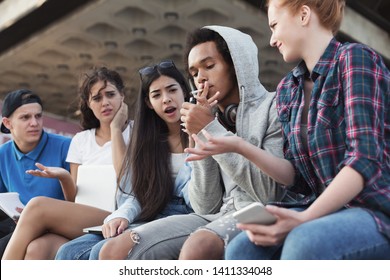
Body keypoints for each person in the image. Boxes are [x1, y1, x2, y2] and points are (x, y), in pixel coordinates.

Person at [188, 0, 390, 260]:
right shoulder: (288, 89)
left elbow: (364, 159)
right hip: (316, 208)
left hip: (370, 208)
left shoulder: (355, 59)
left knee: (304, 242)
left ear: (304, 15)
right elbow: (294, 175)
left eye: (274, 25)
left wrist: (305, 217)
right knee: (241, 250)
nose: (272, 40)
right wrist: (236, 145)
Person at [94, 25, 289, 260]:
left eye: (209, 66)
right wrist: (200, 138)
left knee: (198, 247)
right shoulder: (208, 116)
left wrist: (211, 129)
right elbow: (205, 206)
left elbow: (269, 193)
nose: (201, 78)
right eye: (194, 73)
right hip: (216, 215)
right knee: (114, 251)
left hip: (264, 211)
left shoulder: (273, 107)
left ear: (237, 64)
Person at [55, 60, 194, 260]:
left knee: (102, 252)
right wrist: (122, 215)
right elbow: (135, 191)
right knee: (68, 252)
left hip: (185, 215)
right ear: (149, 103)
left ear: (185, 91)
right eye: (156, 95)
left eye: (172, 90)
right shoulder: (148, 140)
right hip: (148, 213)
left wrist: (196, 140)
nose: (166, 99)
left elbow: (203, 200)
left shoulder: (201, 133)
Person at [2, 66, 131, 259]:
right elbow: (74, 200)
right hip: (82, 220)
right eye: (97, 98)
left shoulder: (138, 133)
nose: (105, 103)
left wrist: (115, 129)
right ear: (88, 103)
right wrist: (63, 176)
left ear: (122, 96)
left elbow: (125, 180)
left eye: (111, 95)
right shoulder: (81, 140)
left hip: (121, 215)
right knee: (36, 249)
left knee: (36, 207)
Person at [0, 89, 71, 258]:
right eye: (25, 117)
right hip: (18, 223)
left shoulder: (67, 146)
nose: (35, 123)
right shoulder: (2, 154)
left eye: (38, 116)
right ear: (8, 123)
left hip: (57, 227)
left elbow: (79, 201)